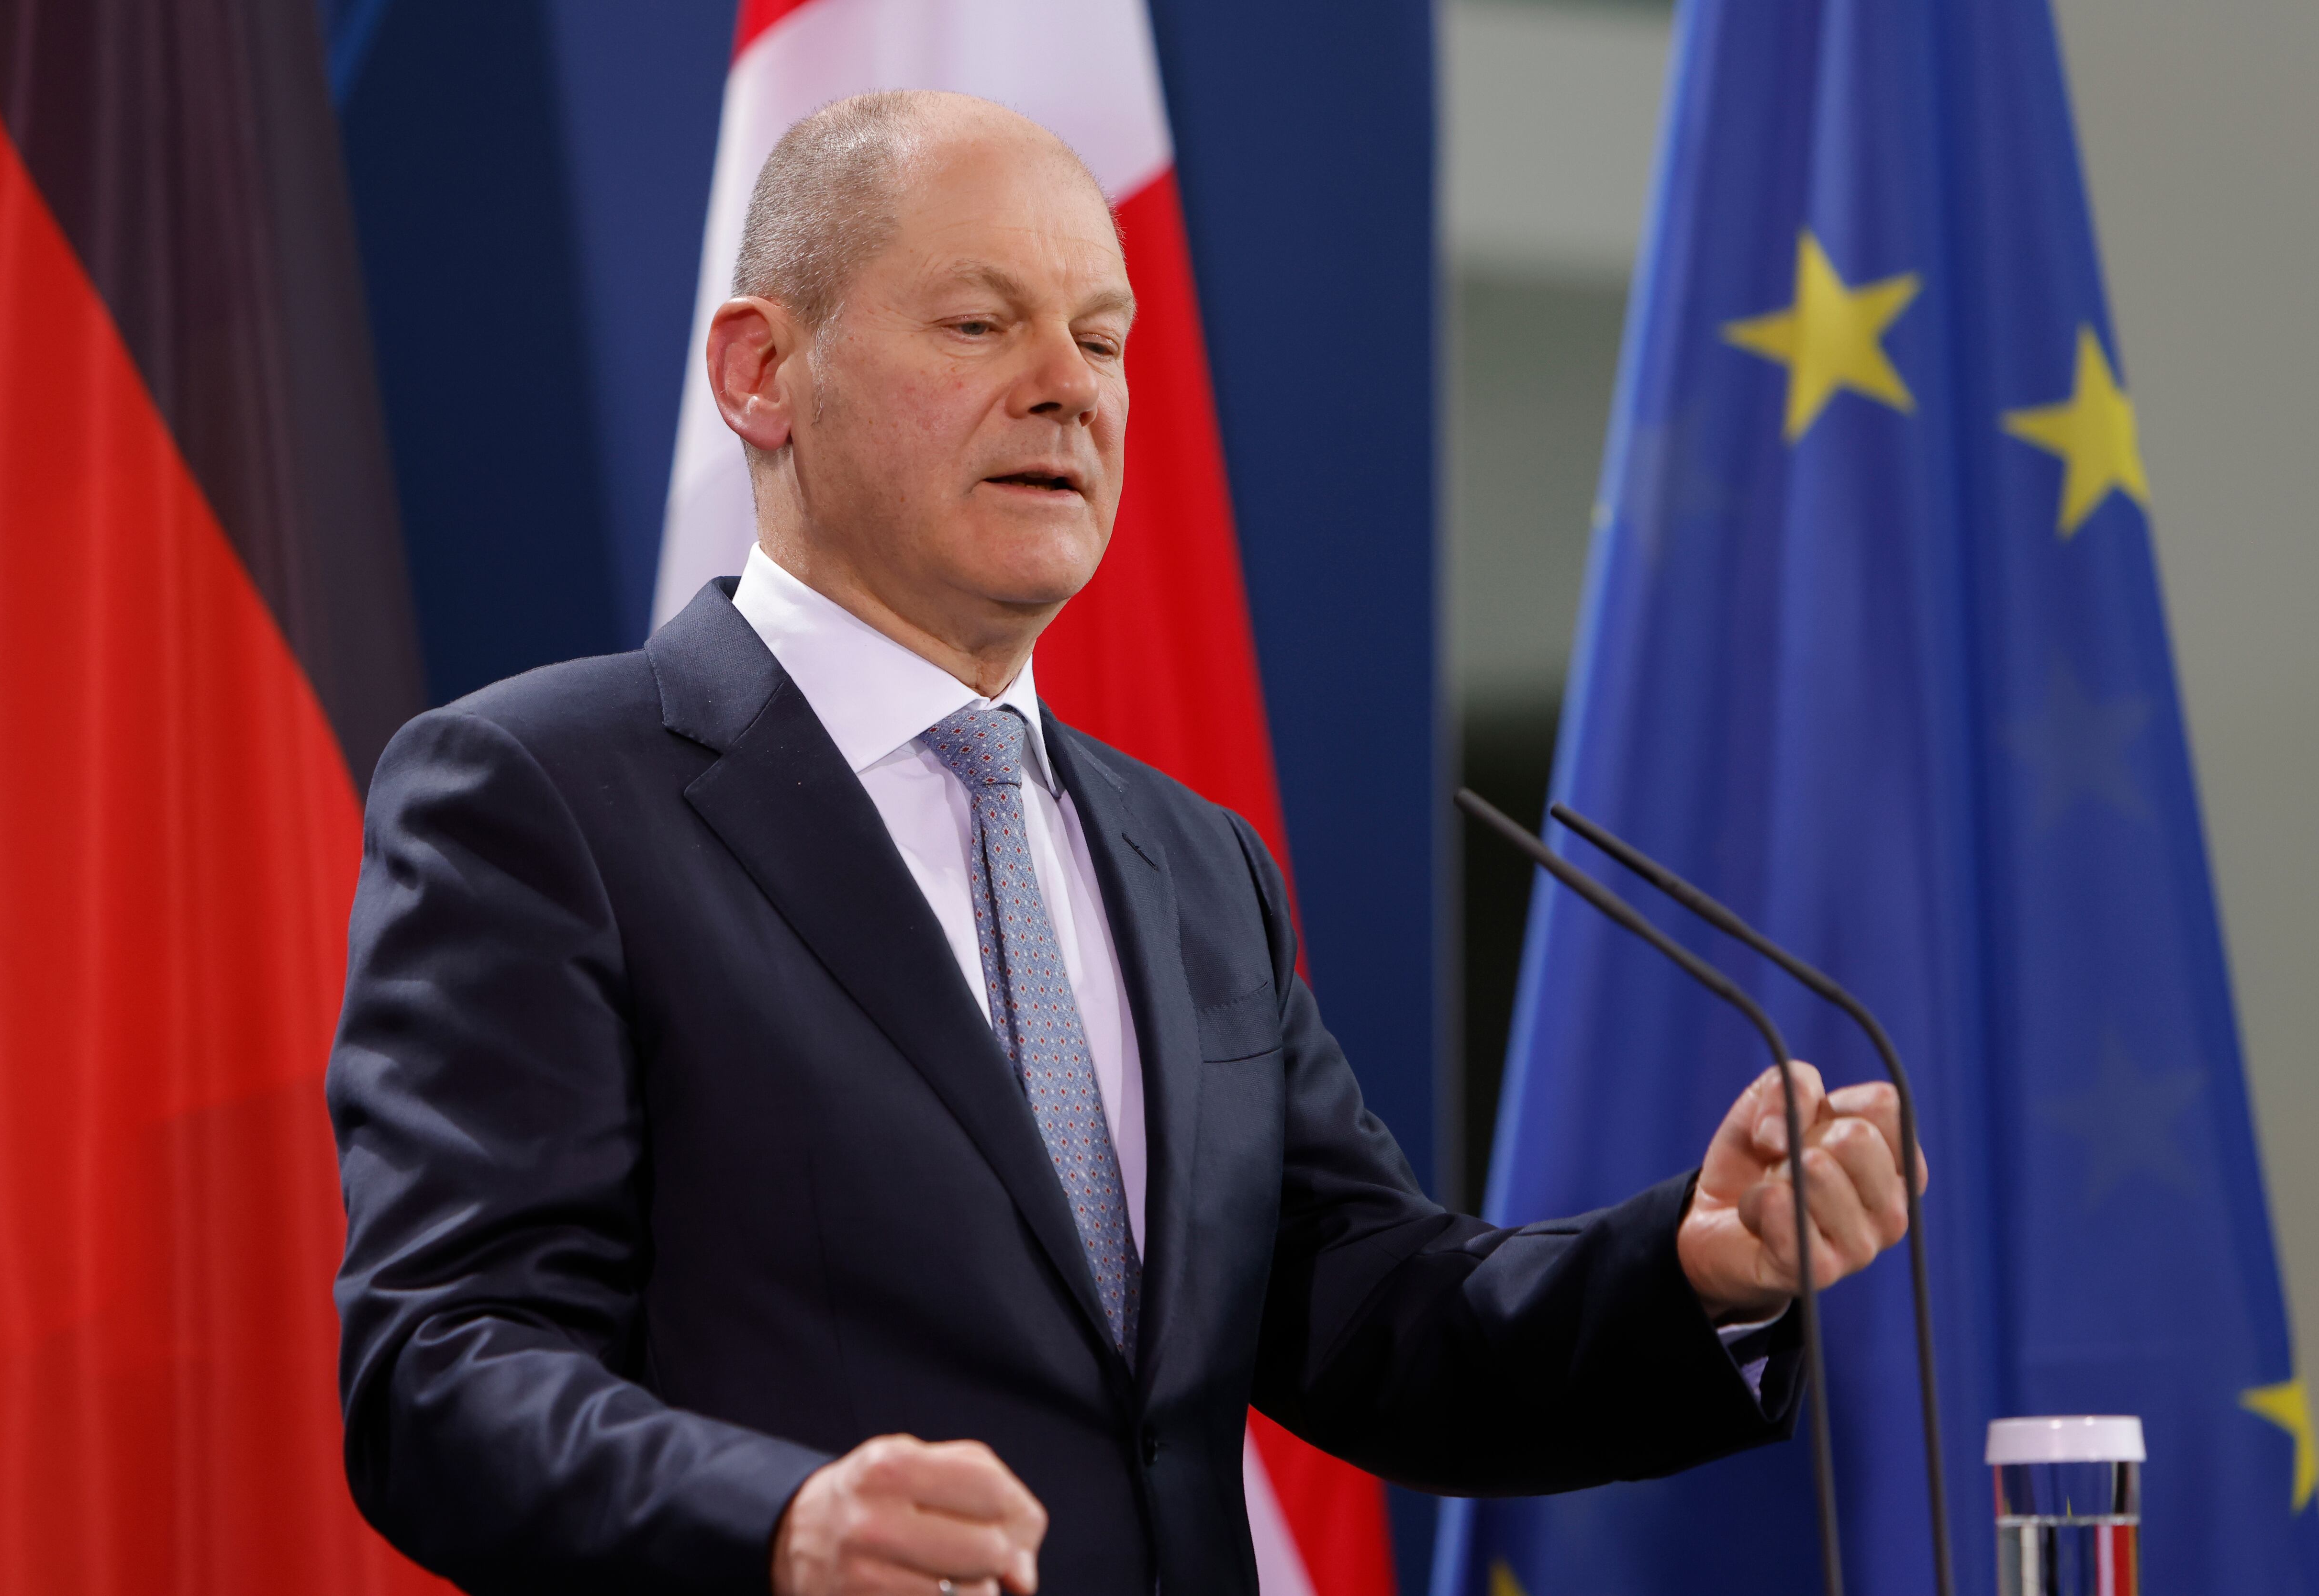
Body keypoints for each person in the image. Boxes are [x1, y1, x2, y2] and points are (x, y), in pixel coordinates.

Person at [328, 90, 1925, 1596]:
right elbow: (447, 1364)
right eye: (979, 324)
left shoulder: (1191, 860)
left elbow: (1368, 1311)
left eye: (1103, 338)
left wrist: (1695, 1271)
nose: (1069, 385)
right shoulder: (541, 796)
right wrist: (782, 1527)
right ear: (760, 372)